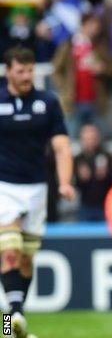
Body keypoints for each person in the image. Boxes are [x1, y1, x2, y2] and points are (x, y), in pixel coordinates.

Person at [0, 46, 75, 338]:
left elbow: (61, 146)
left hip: (36, 188)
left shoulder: (47, 102)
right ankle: (16, 314)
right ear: (8, 71)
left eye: (30, 70)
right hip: (4, 186)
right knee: (10, 251)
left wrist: (65, 182)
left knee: (25, 260)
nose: (27, 76)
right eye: (21, 71)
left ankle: (11, 324)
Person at [74, 124, 112, 221]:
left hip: (105, 204)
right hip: (85, 206)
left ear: (98, 138)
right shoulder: (78, 159)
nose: (90, 141)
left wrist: (106, 175)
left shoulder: (107, 156)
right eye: (86, 138)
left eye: (92, 138)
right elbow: (74, 186)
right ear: (81, 140)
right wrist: (81, 179)